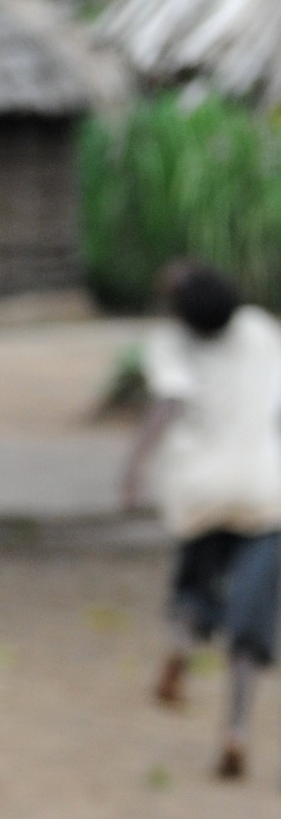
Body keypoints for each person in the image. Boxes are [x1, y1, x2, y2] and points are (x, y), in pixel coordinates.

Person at [121, 260, 281, 781]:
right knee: (250, 623)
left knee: (194, 591)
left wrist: (134, 467)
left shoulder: (169, 343)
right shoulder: (260, 330)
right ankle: (236, 728)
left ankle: (181, 646)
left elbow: (167, 403)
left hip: (200, 493)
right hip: (265, 490)